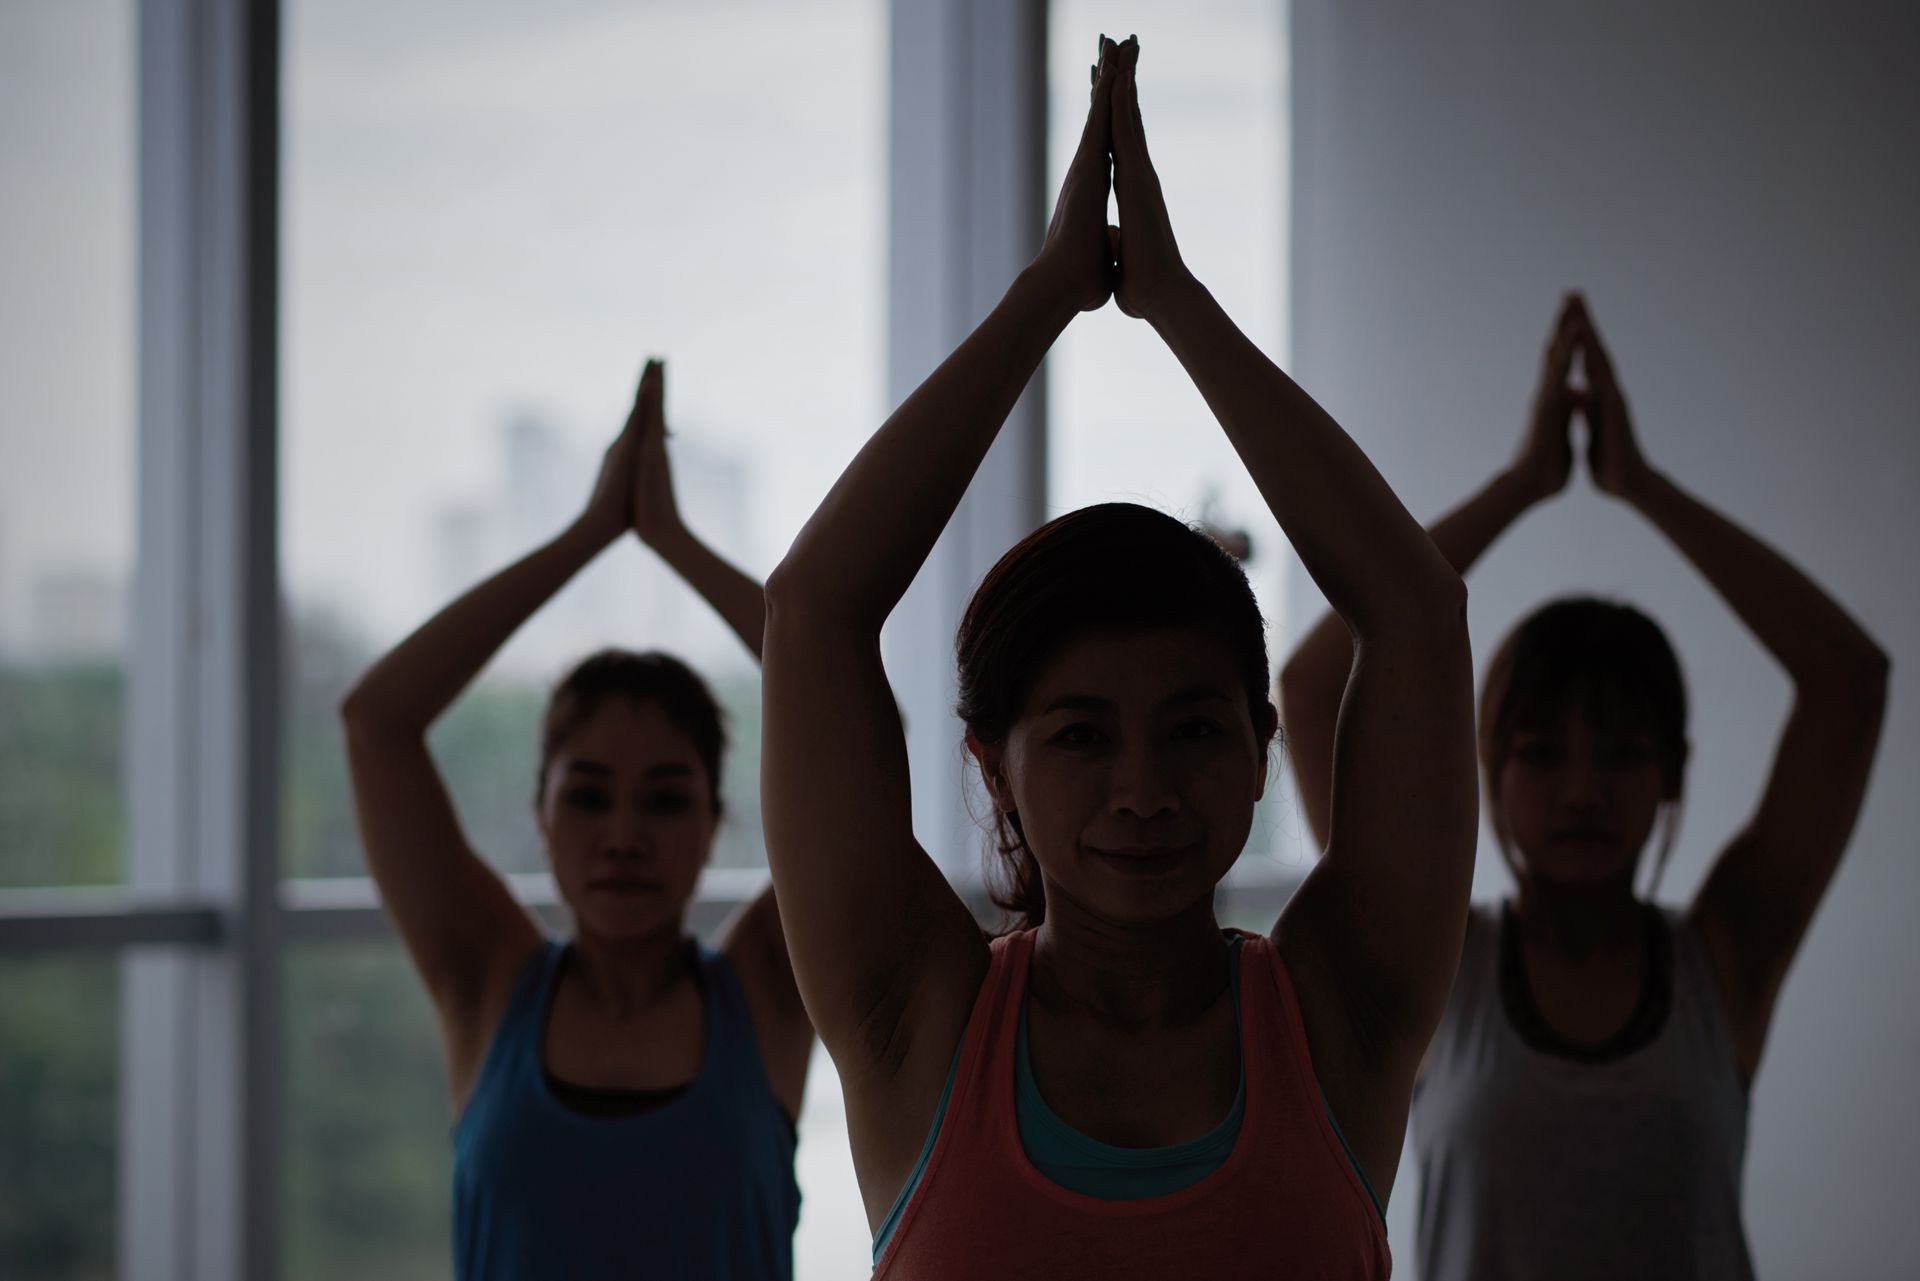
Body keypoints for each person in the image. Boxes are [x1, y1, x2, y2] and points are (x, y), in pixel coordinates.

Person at [760, 37, 1476, 1279]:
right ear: (993, 768)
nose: (1143, 790)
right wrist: (1047, 295)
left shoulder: (1338, 1015)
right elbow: (812, 612)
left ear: (1261, 751)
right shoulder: (913, 1020)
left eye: (1195, 728)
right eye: (1083, 735)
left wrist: (1175, 303)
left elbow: (1414, 609)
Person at [1279, 294, 1891, 1280]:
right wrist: (1518, 486)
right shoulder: (1439, 968)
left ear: (1672, 774)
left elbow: (1850, 684)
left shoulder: (1725, 958)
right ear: (1488, 764)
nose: (1580, 790)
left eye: (1619, 753)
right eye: (1542, 752)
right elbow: (1312, 690)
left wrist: (1641, 487)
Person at [339, 360, 812, 1281]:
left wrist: (670, 539)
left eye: (666, 797)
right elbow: (377, 722)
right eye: (589, 795)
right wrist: (591, 534)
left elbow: (853, 727)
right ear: (541, 815)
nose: (624, 834)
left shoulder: (768, 987)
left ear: (715, 820)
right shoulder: (486, 978)